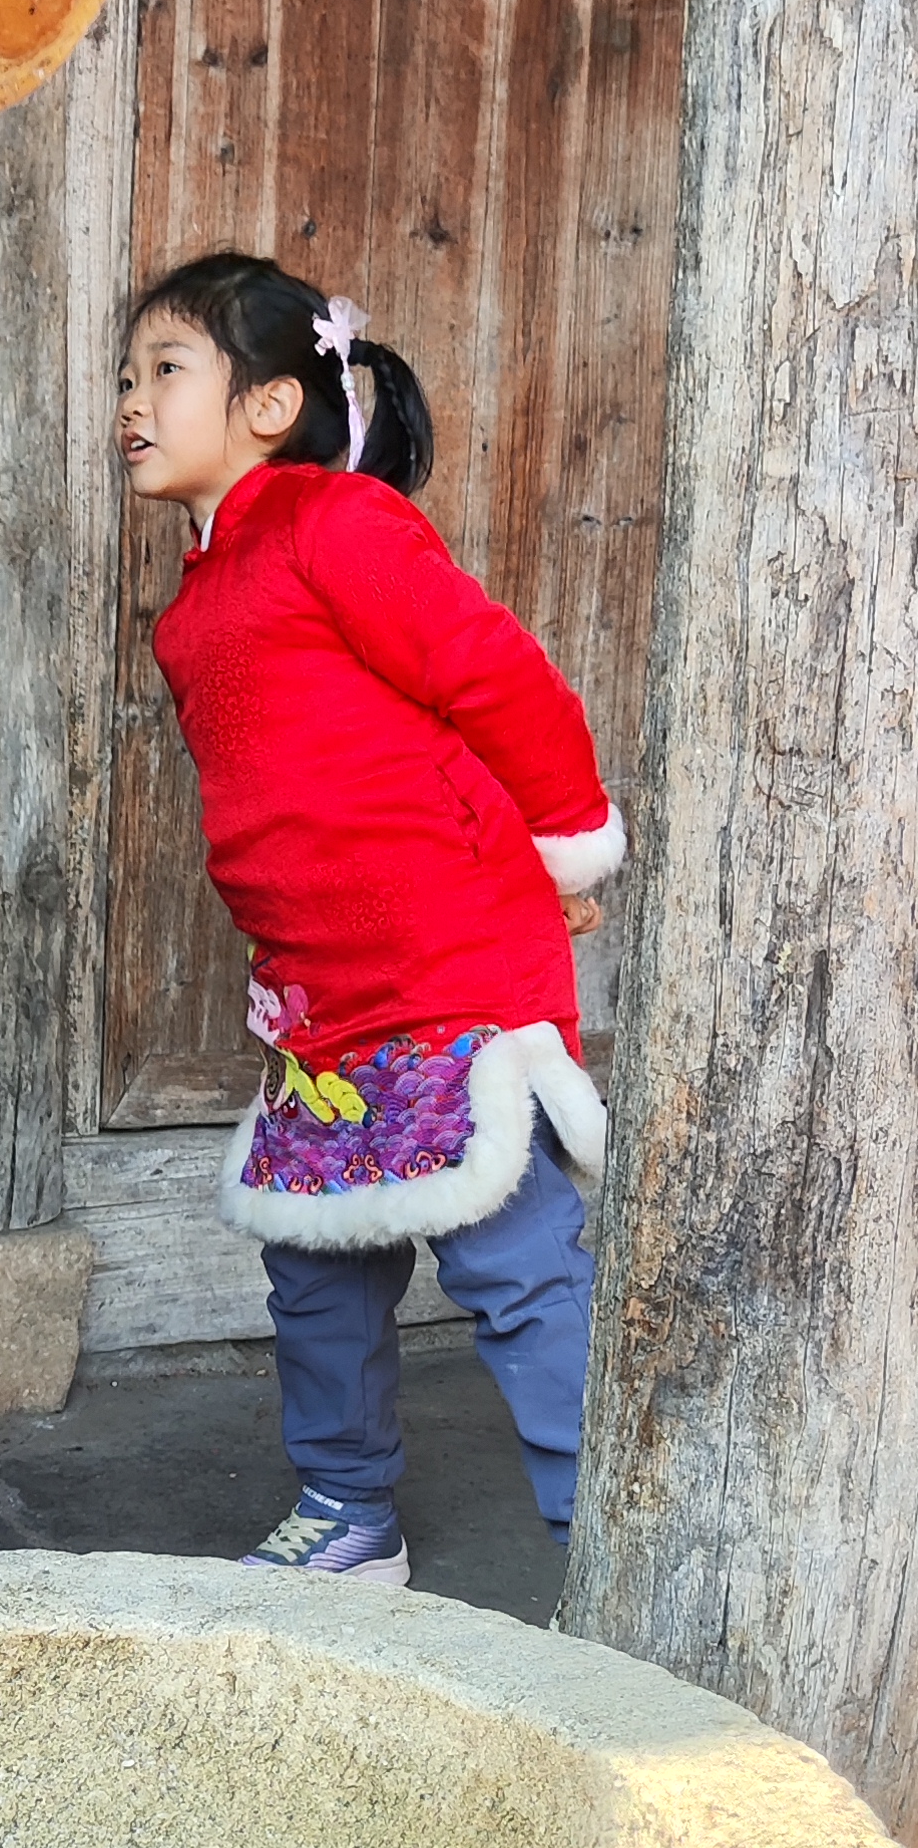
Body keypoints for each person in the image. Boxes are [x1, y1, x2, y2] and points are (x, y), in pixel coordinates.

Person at [115, 250, 625, 1586]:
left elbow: (493, 676)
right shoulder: (198, 600)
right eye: (128, 375)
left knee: (511, 1259)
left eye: (165, 369)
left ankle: (612, 1550)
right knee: (314, 1262)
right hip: (323, 996)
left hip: (444, 963)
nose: (132, 400)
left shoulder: (336, 524)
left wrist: (563, 839)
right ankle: (349, 1511)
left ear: (270, 405)